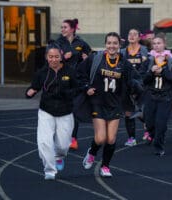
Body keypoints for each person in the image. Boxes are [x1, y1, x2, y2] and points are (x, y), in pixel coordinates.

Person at [79, 32, 142, 177]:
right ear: (105, 44)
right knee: (100, 138)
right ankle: (92, 152)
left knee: (111, 139)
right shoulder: (96, 58)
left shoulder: (124, 63)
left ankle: (105, 166)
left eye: (115, 43)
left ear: (119, 45)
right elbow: (80, 74)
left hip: (115, 104)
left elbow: (134, 79)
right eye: (109, 43)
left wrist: (134, 87)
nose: (112, 46)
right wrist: (86, 87)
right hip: (98, 102)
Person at [26, 41, 79, 180]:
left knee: (63, 145)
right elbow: (34, 87)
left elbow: (77, 88)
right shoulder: (41, 73)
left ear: (61, 56)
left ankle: (59, 156)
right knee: (44, 142)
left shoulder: (70, 71)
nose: (53, 59)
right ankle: (49, 170)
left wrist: (68, 93)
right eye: (51, 57)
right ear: (46, 57)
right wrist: (30, 92)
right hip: (46, 111)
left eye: (56, 56)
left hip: (65, 112)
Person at [140, 33, 172, 156]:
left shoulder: (171, 61)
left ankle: (159, 146)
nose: (157, 46)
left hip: (165, 96)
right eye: (154, 43)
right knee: (149, 123)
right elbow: (142, 79)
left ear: (164, 44)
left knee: (161, 123)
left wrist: (163, 70)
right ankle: (152, 135)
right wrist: (151, 72)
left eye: (159, 43)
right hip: (150, 96)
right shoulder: (148, 60)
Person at [56, 18, 92, 150]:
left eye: (65, 27)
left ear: (72, 29)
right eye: (62, 27)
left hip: (76, 82)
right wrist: (62, 57)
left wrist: (87, 58)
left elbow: (90, 55)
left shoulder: (81, 43)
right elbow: (50, 58)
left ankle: (73, 139)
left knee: (74, 111)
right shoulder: (58, 43)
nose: (62, 30)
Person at [120, 28, 148, 147]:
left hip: (141, 83)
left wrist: (140, 80)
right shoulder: (122, 51)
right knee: (128, 111)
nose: (131, 36)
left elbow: (147, 66)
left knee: (142, 111)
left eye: (134, 34)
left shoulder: (144, 50)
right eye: (129, 34)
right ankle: (132, 138)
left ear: (139, 37)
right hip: (127, 84)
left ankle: (148, 129)